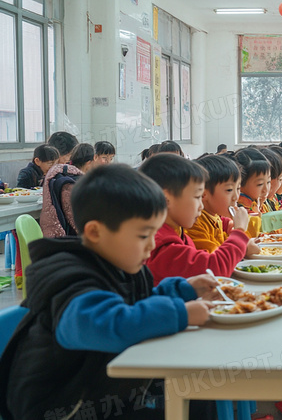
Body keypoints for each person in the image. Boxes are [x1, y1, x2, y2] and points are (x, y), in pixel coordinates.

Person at [0, 164, 219, 420]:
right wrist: (179, 313)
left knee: (197, 388)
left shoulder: (121, 264)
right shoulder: (66, 276)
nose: (151, 245)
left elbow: (139, 303)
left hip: (101, 385)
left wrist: (184, 289)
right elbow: (107, 324)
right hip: (63, 405)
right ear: (95, 232)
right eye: (143, 235)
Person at [140, 154, 252, 284]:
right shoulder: (160, 245)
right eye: (197, 197)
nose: (201, 206)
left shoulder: (179, 233)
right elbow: (215, 270)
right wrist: (239, 232)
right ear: (166, 199)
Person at [186, 155, 261, 251]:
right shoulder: (194, 223)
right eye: (229, 190)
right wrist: (240, 230)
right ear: (203, 193)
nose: (236, 197)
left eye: (238, 188)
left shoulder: (216, 216)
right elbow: (215, 259)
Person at [41, 143, 97, 238]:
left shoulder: (62, 174)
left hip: (53, 232)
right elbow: (76, 222)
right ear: (89, 162)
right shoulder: (72, 183)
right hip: (65, 238)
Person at [235, 150, 272, 215]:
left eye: (268, 182)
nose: (266, 189)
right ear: (240, 184)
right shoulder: (241, 208)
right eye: (260, 184)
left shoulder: (257, 202)